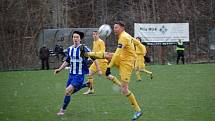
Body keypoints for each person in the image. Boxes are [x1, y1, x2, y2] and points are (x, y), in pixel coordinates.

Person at [82, 21, 142, 120]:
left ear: (122, 28)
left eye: (116, 27)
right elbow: (135, 41)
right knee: (107, 54)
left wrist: (109, 66)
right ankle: (86, 54)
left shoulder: (123, 37)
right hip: (122, 58)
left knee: (124, 89)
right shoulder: (125, 35)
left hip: (127, 64)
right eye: (114, 28)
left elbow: (118, 52)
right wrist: (140, 46)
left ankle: (138, 110)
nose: (114, 29)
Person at [54, 31, 93, 116]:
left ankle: (62, 111)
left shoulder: (83, 48)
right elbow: (68, 61)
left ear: (80, 39)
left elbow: (92, 57)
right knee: (68, 92)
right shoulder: (70, 49)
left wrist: (94, 65)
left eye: (77, 37)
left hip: (79, 75)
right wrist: (59, 69)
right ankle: (85, 85)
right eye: (74, 37)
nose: (75, 39)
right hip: (71, 74)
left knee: (68, 91)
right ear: (72, 38)